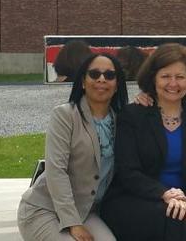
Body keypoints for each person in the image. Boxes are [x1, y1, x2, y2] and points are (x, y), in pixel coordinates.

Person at [101, 43, 186, 241]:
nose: (173, 83)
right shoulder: (133, 116)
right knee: (178, 224)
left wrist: (185, 200)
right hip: (133, 202)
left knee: (179, 220)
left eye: (180, 77)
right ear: (153, 78)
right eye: (165, 76)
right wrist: (165, 195)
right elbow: (128, 172)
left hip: (183, 206)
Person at [18, 53, 128, 241]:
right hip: (45, 208)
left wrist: (146, 98)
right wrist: (72, 223)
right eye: (94, 74)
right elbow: (56, 171)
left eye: (109, 75)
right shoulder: (65, 115)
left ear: (117, 85)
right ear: (83, 82)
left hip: (86, 211)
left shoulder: (123, 120)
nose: (102, 79)